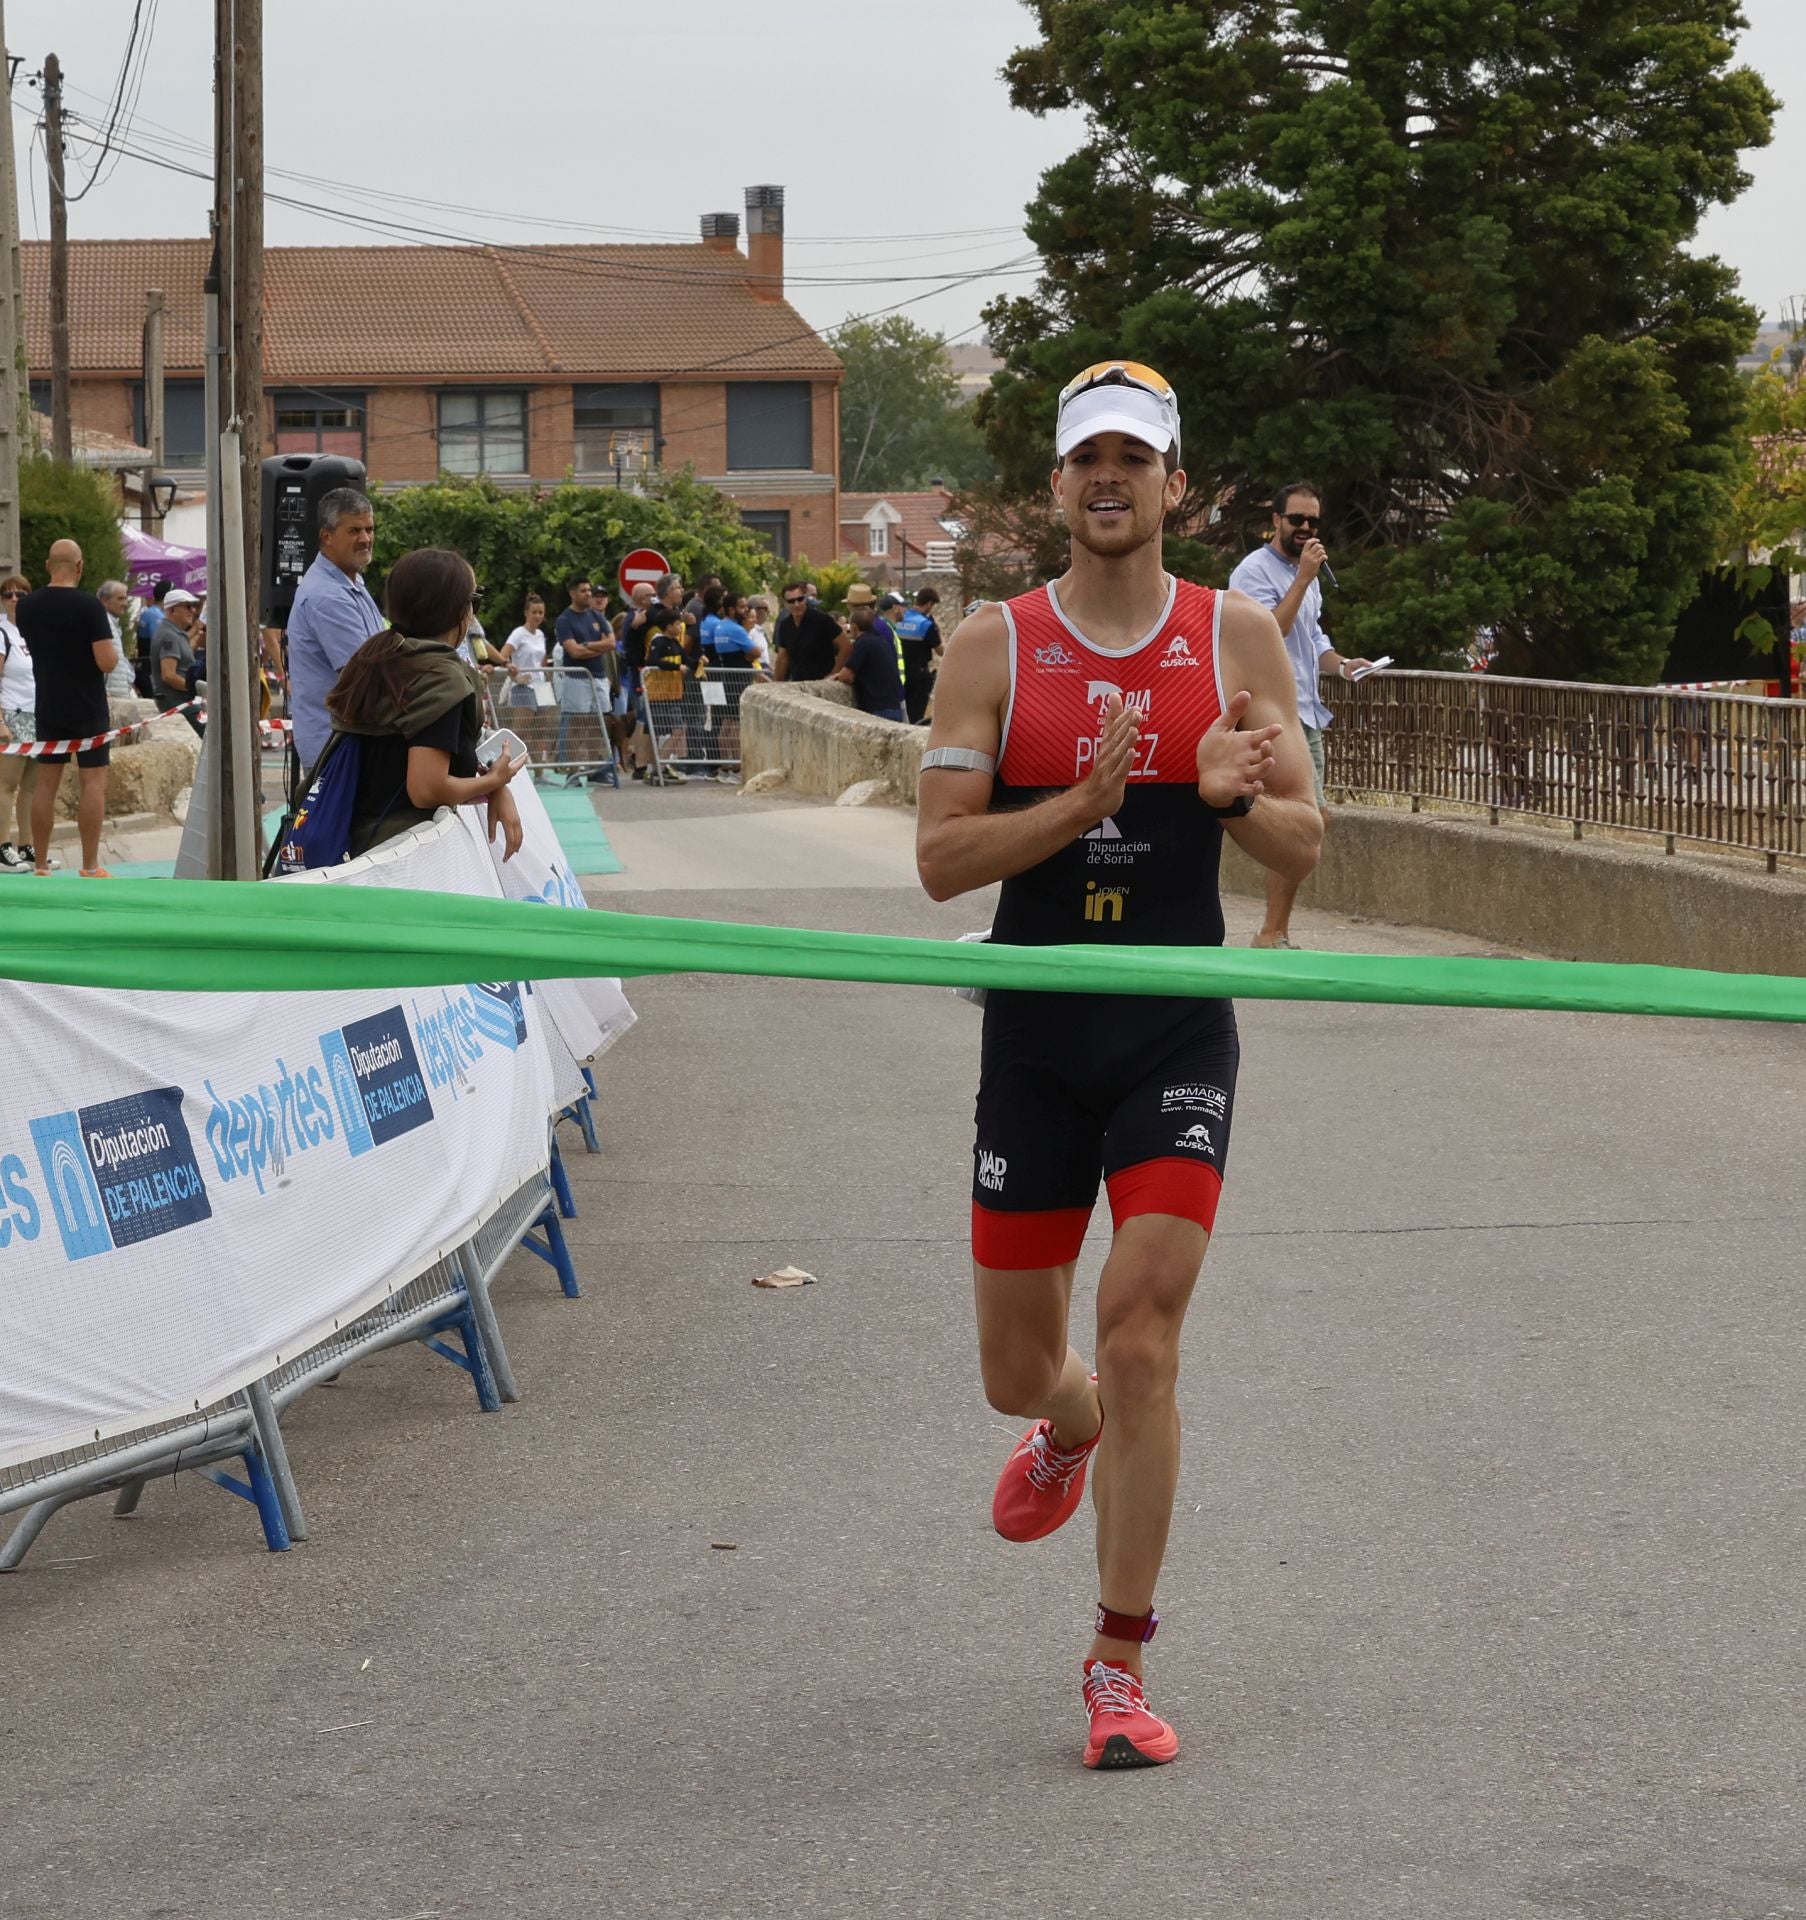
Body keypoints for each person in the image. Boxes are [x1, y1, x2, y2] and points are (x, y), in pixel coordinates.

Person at [914, 360, 1321, 1769]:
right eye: (1084, 458)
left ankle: (1115, 1659)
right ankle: (1063, 1423)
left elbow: (1304, 847)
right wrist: (1077, 803)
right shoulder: (993, 646)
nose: (1108, 480)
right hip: (1032, 1035)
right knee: (1017, 1368)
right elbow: (937, 864)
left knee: (1145, 1332)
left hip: (1169, 1025)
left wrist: (1223, 798)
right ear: (1054, 489)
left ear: (1172, 486)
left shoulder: (1235, 637)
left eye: (1131, 460)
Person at [1227, 483, 1373, 950]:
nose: (1306, 530)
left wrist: (1345, 665)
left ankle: (1275, 929)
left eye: (1313, 522)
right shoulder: (1254, 572)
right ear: (1275, 521)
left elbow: (1313, 640)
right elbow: (1270, 630)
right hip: (1273, 713)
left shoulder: (1303, 578)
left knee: (1313, 822)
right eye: (1296, 521)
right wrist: (1304, 579)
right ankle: (1272, 931)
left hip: (1306, 714)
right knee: (1306, 823)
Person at [325, 547, 525, 861]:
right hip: (402, 854)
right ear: (454, 609)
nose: (473, 612)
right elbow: (426, 789)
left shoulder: (378, 656)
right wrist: (494, 781)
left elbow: (393, 763)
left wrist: (492, 788)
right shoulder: (439, 676)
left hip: (350, 843)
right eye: (473, 600)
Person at [23, 539, 121, 879]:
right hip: (88, 705)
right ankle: (90, 865)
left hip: (48, 703)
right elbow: (106, 662)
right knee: (92, 781)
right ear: (79, 567)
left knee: (45, 784)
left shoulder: (27, 607)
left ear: (49, 565)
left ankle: (39, 864)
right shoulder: (89, 607)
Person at [287, 488, 384, 776]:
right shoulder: (328, 596)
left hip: (348, 747)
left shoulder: (351, 583)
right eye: (354, 530)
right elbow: (366, 680)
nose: (365, 539)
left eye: (369, 529)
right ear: (326, 536)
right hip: (337, 752)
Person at [0, 574, 46, 871]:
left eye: (21, 594)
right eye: (8, 594)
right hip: (12, 713)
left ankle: (27, 846)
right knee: (6, 784)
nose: (15, 599)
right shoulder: (1, 632)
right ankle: (2, 847)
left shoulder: (33, 632)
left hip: (38, 715)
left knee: (32, 785)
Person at [553, 577, 615, 786]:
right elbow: (574, 651)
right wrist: (598, 646)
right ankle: (572, 771)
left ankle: (595, 769)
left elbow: (611, 642)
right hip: (577, 680)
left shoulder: (597, 615)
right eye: (583, 591)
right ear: (572, 593)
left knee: (598, 724)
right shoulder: (565, 620)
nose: (588, 594)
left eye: (589, 590)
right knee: (577, 726)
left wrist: (588, 645)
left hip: (598, 677)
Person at [832, 583, 906, 720]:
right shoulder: (882, 626)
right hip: (895, 695)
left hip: (879, 703)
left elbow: (847, 674)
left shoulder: (867, 636)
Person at [150, 588, 203, 729]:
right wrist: (196, 688)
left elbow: (183, 657)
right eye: (187, 606)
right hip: (175, 700)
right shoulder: (169, 635)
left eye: (193, 607)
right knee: (213, 734)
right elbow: (169, 675)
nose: (192, 611)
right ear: (173, 610)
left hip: (180, 699)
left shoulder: (175, 632)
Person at [772, 581, 842, 682]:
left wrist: (833, 674)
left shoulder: (822, 620)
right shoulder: (785, 625)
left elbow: (846, 647)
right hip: (799, 683)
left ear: (805, 599)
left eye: (800, 599)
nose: (796, 604)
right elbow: (782, 657)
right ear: (785, 603)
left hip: (822, 683)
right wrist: (776, 686)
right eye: (791, 601)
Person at [895, 586, 944, 725]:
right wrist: (938, 631)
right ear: (929, 604)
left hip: (900, 673)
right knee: (915, 717)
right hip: (919, 676)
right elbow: (941, 651)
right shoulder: (926, 624)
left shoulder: (901, 619)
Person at [503, 593, 550, 709]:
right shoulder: (519, 633)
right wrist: (515, 677)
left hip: (541, 685)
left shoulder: (540, 634)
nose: (537, 616)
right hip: (524, 685)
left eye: (541, 613)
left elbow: (541, 659)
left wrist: (546, 673)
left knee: (544, 724)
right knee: (523, 725)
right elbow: (503, 655)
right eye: (534, 612)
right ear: (526, 613)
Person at [96, 580, 134, 697]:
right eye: (120, 599)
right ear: (105, 601)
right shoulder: (103, 622)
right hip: (111, 693)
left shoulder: (112, 623)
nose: (125, 603)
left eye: (125, 598)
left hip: (117, 691)